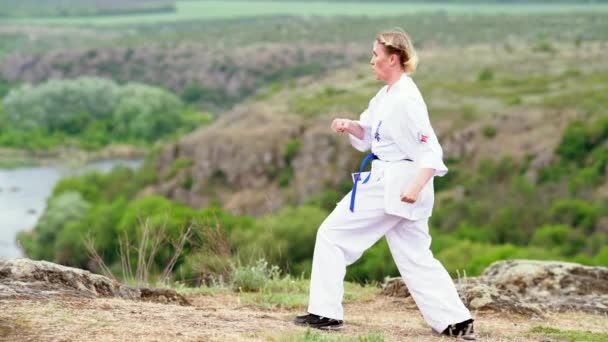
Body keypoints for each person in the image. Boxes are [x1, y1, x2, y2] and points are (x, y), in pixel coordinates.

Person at [293, 29, 475, 340]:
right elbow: (370, 135)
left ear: (393, 58)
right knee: (415, 256)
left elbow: (431, 150)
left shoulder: (407, 99)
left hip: (397, 184)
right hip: (396, 182)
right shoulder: (386, 95)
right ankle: (456, 321)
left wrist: (414, 189)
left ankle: (325, 313)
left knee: (332, 235)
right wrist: (351, 125)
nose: (371, 61)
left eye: (376, 55)